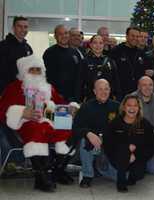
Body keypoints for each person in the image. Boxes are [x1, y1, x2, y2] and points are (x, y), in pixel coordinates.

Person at [0, 55, 75, 192]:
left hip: (49, 119)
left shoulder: (48, 87)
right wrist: (22, 112)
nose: (35, 72)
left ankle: (58, 170)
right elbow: (2, 109)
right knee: (38, 129)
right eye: (31, 69)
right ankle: (42, 176)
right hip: (26, 124)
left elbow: (60, 103)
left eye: (38, 70)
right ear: (24, 72)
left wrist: (70, 108)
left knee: (68, 129)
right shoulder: (14, 87)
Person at [104, 94, 154, 192]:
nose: (132, 108)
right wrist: (126, 150)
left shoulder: (145, 124)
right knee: (124, 148)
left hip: (136, 159)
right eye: (129, 105)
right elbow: (107, 144)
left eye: (135, 105)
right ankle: (121, 181)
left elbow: (152, 146)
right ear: (123, 107)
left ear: (139, 108)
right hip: (117, 161)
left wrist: (136, 155)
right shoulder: (115, 123)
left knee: (138, 175)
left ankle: (129, 176)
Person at [73, 79, 119, 188]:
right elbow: (76, 127)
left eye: (106, 89)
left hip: (110, 146)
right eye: (100, 89)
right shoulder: (86, 107)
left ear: (110, 90)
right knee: (85, 140)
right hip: (92, 145)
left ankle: (99, 168)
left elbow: (123, 128)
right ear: (94, 91)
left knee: (122, 178)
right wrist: (88, 133)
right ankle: (87, 175)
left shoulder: (117, 107)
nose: (104, 92)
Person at [132, 76, 154, 174]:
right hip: (135, 137)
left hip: (153, 137)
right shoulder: (131, 99)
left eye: (150, 85)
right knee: (136, 169)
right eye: (144, 85)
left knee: (153, 170)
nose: (148, 88)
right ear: (138, 86)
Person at [43, 24, 81, 102]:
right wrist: (56, 94)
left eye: (66, 33)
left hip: (73, 96)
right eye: (60, 34)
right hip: (57, 96)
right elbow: (49, 77)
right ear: (55, 36)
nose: (64, 36)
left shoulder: (75, 52)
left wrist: (77, 94)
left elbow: (78, 75)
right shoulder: (50, 53)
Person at [79, 35, 121, 101]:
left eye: (100, 43)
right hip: (90, 98)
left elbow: (116, 82)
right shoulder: (84, 62)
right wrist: (78, 100)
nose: (98, 46)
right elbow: (79, 82)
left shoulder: (110, 61)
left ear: (104, 45)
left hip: (108, 98)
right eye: (95, 43)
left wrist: (117, 97)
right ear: (90, 45)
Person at [0, 16, 33, 95]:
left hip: (23, 92)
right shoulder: (3, 46)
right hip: (5, 92)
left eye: (25, 27)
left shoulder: (28, 47)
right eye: (19, 26)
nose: (23, 29)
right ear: (13, 28)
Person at [109, 26, 146, 97]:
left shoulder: (141, 53)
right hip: (120, 93)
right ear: (127, 36)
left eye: (137, 36)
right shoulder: (116, 51)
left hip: (138, 93)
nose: (135, 38)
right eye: (132, 36)